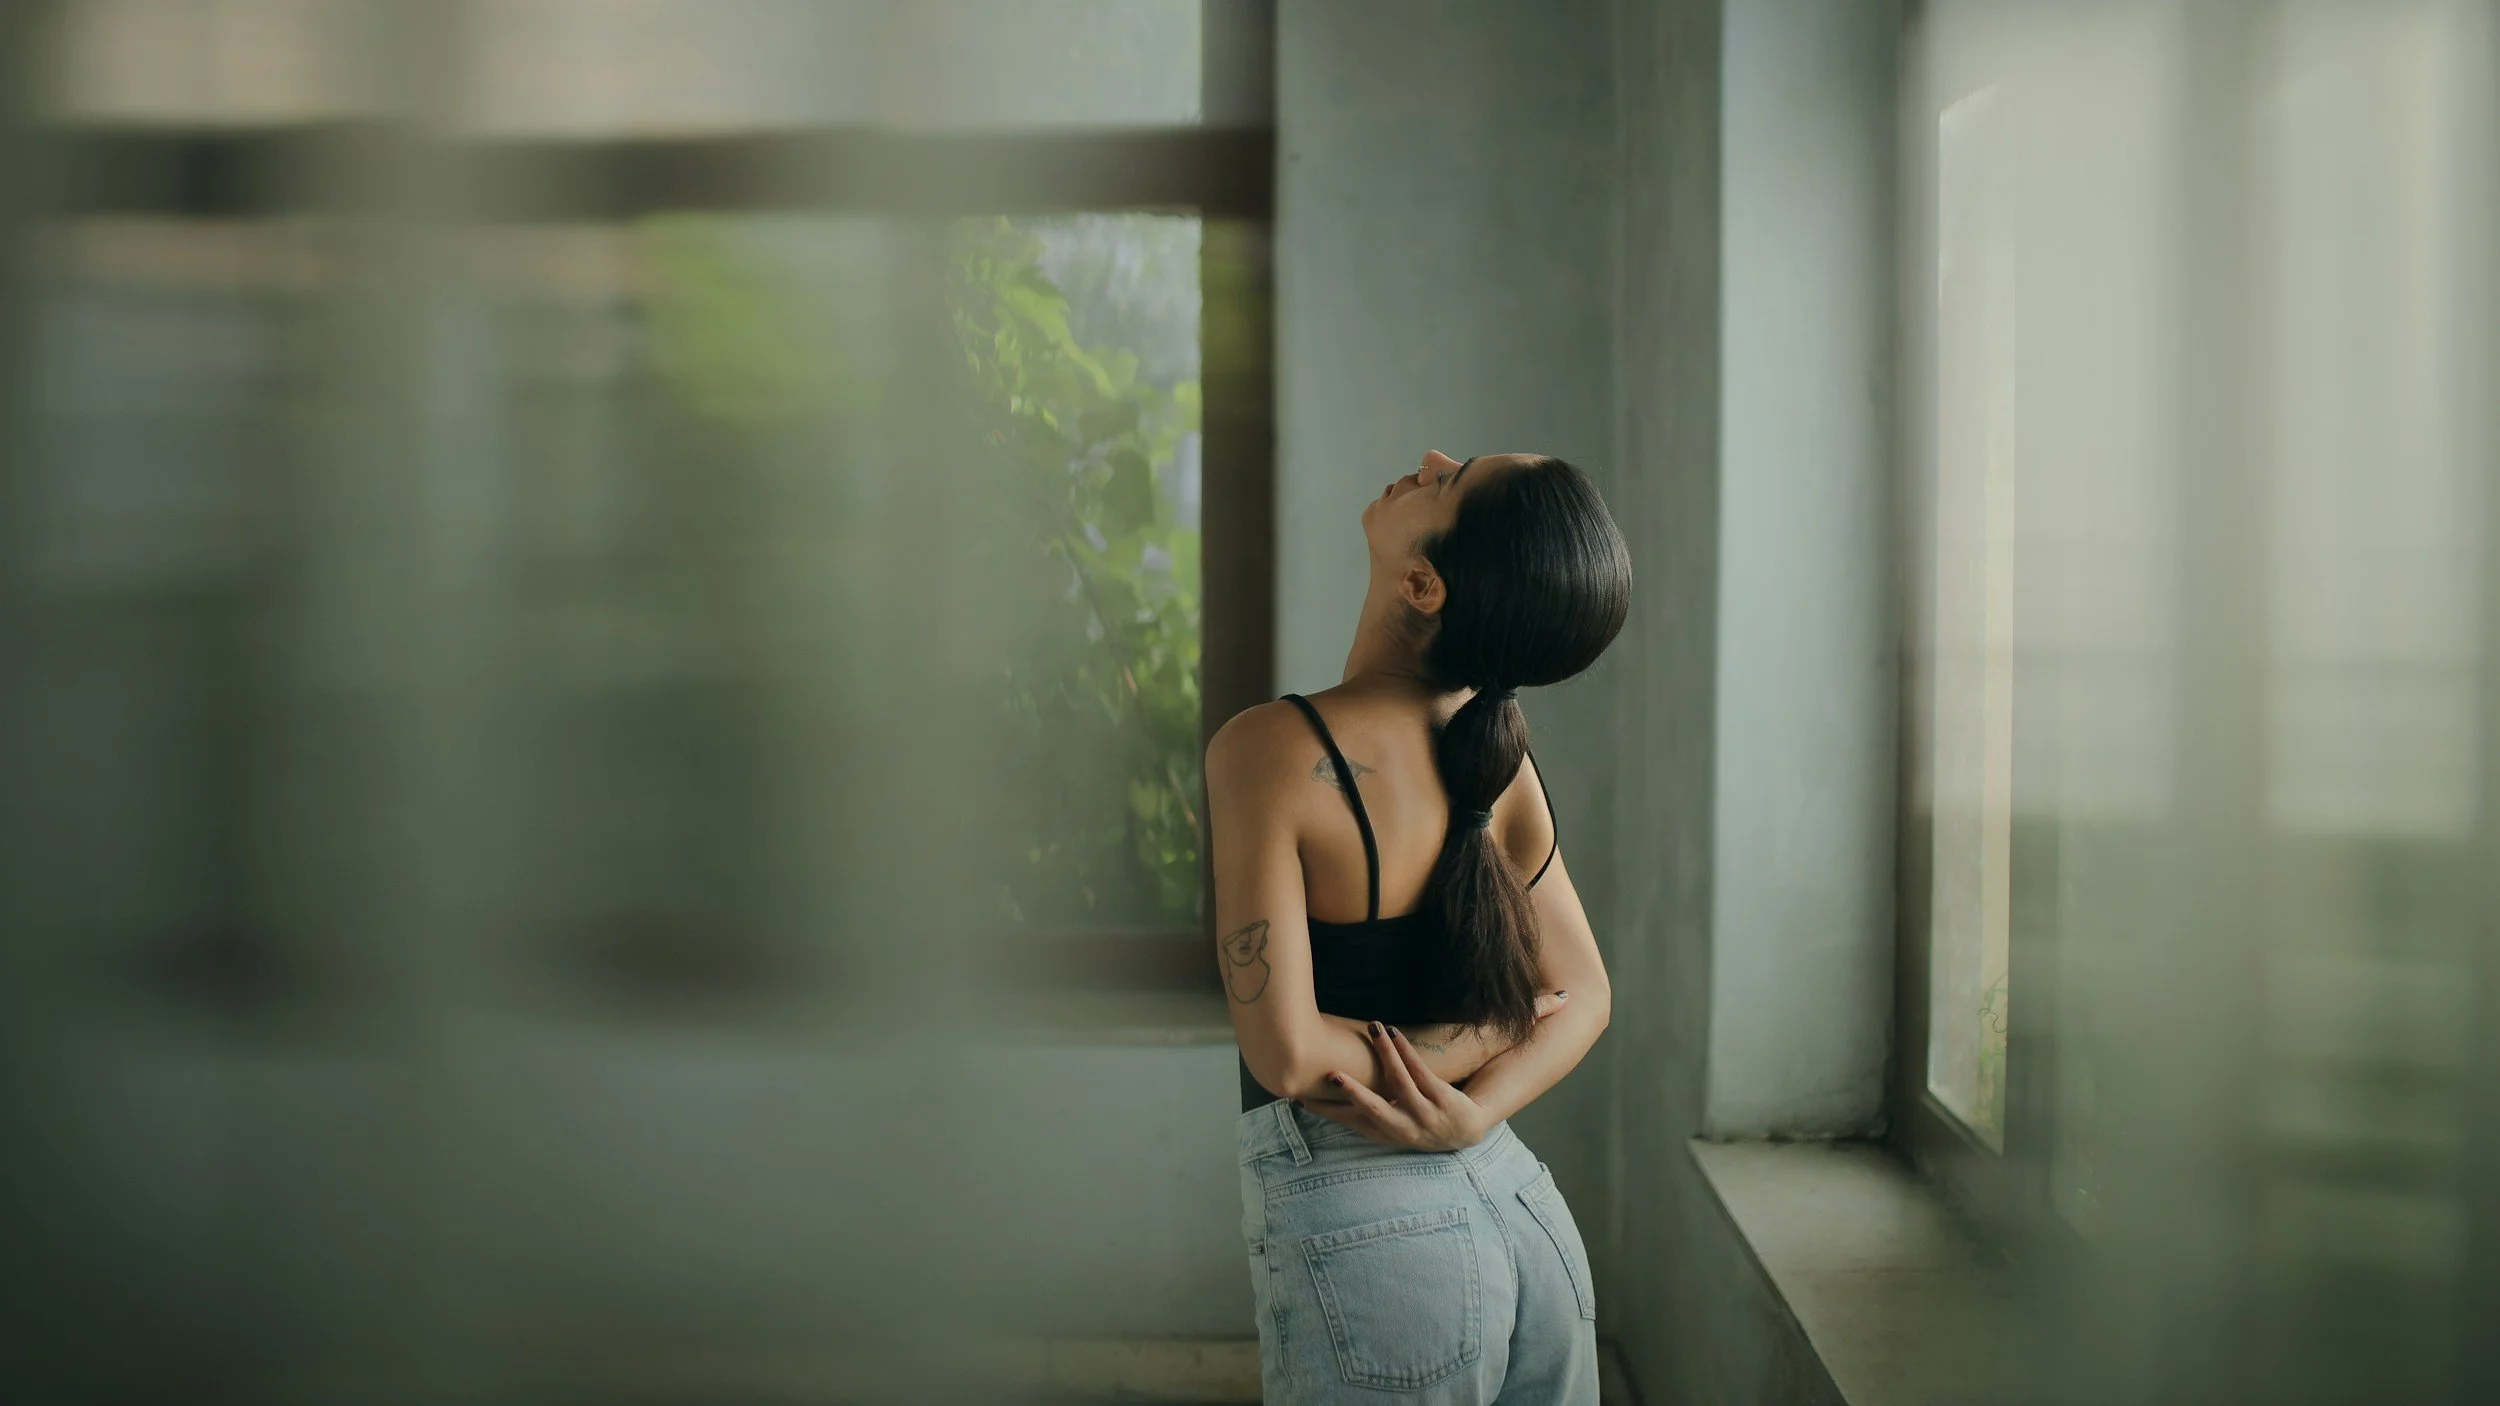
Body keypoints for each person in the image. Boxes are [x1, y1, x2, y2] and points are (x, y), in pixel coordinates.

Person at [1207, 449, 1631, 1404]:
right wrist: (1479, 1090)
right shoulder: (1496, 762)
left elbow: (1288, 1057)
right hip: (1519, 1207)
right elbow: (1585, 995)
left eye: (1450, 480)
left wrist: (1470, 1071)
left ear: (1423, 584)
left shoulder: (1270, 751)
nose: (1430, 460)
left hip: (1377, 1238)